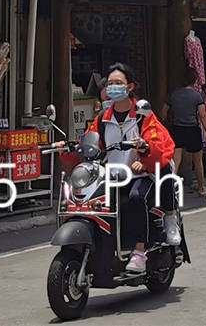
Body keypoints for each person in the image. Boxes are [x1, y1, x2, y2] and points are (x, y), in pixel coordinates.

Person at [84, 63, 174, 275]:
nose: (113, 87)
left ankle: (139, 253)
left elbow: (158, 143)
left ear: (130, 87)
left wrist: (145, 153)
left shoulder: (143, 115)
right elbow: (90, 141)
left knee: (135, 197)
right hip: (112, 177)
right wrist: (70, 147)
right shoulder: (102, 119)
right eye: (110, 84)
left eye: (118, 83)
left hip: (141, 175)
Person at [164, 68, 206, 197]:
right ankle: (201, 187)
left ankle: (170, 187)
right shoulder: (197, 95)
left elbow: (164, 110)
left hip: (177, 128)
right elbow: (203, 115)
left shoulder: (174, 94)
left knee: (175, 160)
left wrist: (165, 124)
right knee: (198, 161)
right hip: (192, 129)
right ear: (195, 80)